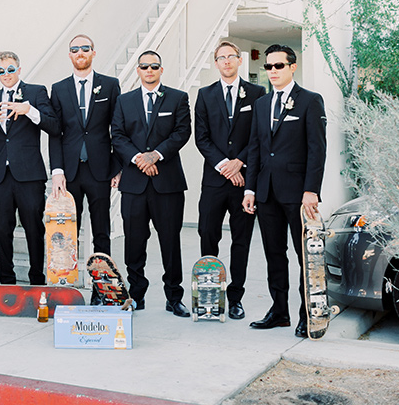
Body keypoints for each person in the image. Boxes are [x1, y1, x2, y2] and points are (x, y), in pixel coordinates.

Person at [242, 44, 327, 338]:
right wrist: (249, 189)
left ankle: (307, 316)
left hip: (297, 195)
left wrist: (311, 191)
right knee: (274, 255)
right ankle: (279, 311)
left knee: (304, 257)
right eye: (268, 67)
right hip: (266, 193)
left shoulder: (310, 101)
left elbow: (317, 151)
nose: (273, 71)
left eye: (279, 66)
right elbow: (255, 149)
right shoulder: (262, 104)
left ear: (292, 66)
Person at [111, 50, 191, 315]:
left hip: (167, 183)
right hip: (134, 183)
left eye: (154, 66)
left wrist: (155, 155)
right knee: (134, 242)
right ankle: (136, 294)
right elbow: (118, 135)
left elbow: (182, 132)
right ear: (138, 70)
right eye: (144, 66)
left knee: (170, 241)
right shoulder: (124, 101)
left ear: (161, 69)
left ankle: (173, 296)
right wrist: (138, 159)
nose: (149, 70)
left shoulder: (178, 98)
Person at [193, 41, 266, 320]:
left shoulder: (257, 93)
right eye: (220, 58)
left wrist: (240, 163)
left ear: (239, 60)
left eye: (230, 57)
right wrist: (226, 166)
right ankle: (209, 297)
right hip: (214, 181)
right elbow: (202, 138)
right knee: (207, 235)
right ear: (216, 63)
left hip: (244, 183)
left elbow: (260, 135)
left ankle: (235, 298)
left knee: (241, 240)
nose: (226, 61)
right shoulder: (205, 95)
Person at [0, 51, 60, 285]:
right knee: (2, 230)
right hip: (0, 178)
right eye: (1, 71)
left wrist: (30, 111)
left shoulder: (36, 92)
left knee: (34, 229)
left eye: (10, 69)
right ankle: (6, 281)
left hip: (29, 175)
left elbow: (54, 127)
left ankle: (36, 279)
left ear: (19, 69)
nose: (6, 75)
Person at [49, 34, 120, 304]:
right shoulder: (59, 88)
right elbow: (56, 132)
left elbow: (118, 128)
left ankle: (102, 290)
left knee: (101, 231)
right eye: (74, 49)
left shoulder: (110, 85)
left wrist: (117, 167)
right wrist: (57, 170)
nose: (80, 52)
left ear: (93, 52)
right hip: (68, 173)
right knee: (68, 233)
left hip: (100, 170)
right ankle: (68, 288)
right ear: (69, 55)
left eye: (85, 48)